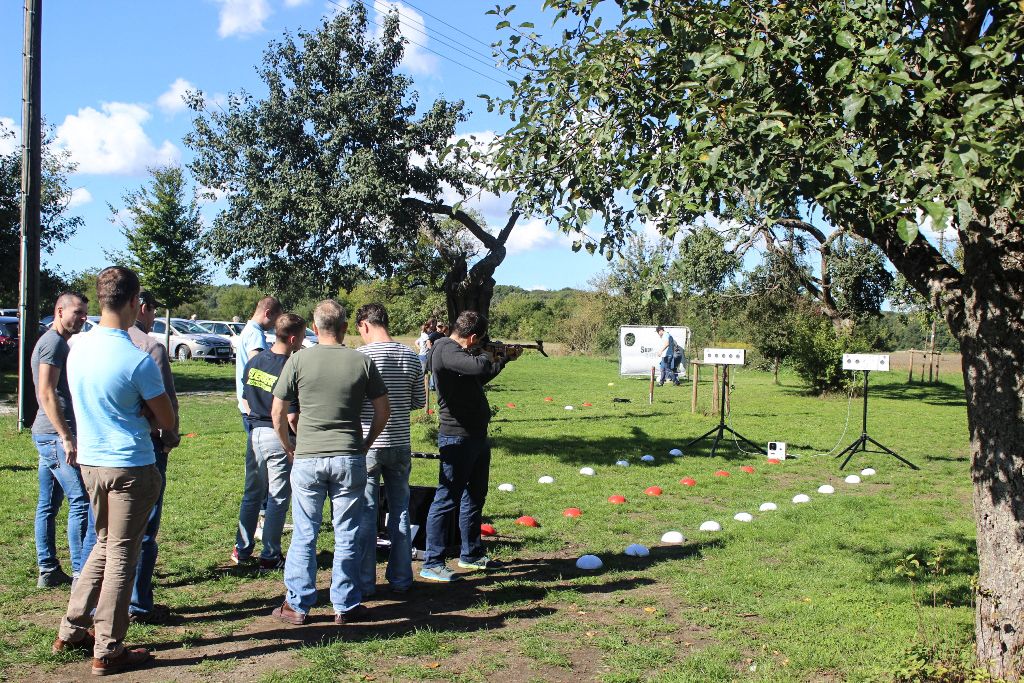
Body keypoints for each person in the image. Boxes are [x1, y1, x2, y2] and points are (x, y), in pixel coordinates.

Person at [53, 266, 175, 676]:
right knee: (123, 555)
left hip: (91, 463)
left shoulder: (77, 347)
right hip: (130, 466)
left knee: (105, 545)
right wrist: (145, 413)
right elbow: (167, 419)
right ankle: (108, 647)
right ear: (134, 302)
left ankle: (72, 629)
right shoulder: (137, 360)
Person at [270, 300, 390, 626]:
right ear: (345, 328)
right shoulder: (361, 361)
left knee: (304, 533)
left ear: (314, 326)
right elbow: (383, 410)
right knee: (347, 532)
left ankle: (297, 605)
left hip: (308, 457)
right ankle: (346, 604)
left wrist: (288, 445)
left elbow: (278, 412)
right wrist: (366, 443)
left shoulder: (298, 360)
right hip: (349, 457)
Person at [420, 311, 521, 582]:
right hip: (457, 436)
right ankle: (433, 561)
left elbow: (478, 377)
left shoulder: (459, 355)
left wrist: (503, 360)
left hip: (475, 435)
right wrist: (492, 355)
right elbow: (478, 367)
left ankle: (471, 554)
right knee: (446, 499)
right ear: (473, 337)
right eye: (480, 341)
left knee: (475, 496)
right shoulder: (446, 348)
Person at [353, 303, 425, 597]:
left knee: (366, 513)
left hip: (368, 443)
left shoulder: (360, 356)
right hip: (400, 443)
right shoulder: (410, 355)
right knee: (400, 511)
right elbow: (419, 401)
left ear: (365, 325)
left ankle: (365, 582)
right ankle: (401, 578)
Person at [32, 291, 95, 588]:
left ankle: (48, 569)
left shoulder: (57, 342)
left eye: (84, 313)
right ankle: (82, 573)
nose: (83, 318)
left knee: (48, 504)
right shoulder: (54, 343)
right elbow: (46, 392)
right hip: (55, 436)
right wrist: (66, 436)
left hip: (49, 434)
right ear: (60, 311)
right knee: (81, 500)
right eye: (77, 312)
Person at [124, 291, 180, 624]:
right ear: (141, 307)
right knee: (144, 530)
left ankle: (95, 607)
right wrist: (169, 438)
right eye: (153, 309)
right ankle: (139, 604)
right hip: (145, 449)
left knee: (103, 534)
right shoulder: (150, 347)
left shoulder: (84, 345)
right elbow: (166, 406)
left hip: (96, 456)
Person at [234, 312, 306, 570]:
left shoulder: (255, 360)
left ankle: (242, 548)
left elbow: (245, 397)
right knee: (278, 497)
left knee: (252, 494)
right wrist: (294, 443)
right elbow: (291, 415)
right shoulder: (290, 367)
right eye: (302, 337)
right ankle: (270, 554)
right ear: (293, 338)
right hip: (278, 435)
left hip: (255, 433)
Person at [233, 296, 282, 556]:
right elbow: (260, 370)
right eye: (275, 319)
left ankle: (242, 546)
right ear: (268, 312)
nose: (274, 325)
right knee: (264, 483)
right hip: (260, 414)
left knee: (254, 482)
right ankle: (264, 529)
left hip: (251, 409)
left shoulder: (247, 330)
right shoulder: (255, 335)